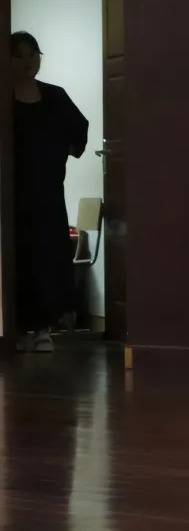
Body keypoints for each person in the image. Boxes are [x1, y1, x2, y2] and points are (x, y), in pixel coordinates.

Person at [10, 31, 89, 352]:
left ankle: (44, 328)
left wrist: (57, 153)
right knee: (18, 257)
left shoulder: (55, 96)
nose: (28, 61)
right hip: (12, 197)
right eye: (19, 55)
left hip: (48, 193)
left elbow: (79, 130)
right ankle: (18, 330)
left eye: (33, 54)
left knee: (48, 257)